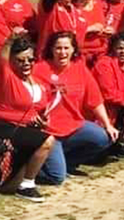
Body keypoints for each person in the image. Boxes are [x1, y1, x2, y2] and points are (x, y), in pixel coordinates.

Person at [0, 34, 56, 203]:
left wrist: (43, 122)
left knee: (8, 187)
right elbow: (2, 58)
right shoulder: (6, 76)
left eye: (30, 59)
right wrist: (11, 40)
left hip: (24, 130)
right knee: (48, 141)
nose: (26, 63)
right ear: (12, 61)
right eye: (20, 60)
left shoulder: (38, 83)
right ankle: (27, 186)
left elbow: (41, 112)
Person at [34, 31, 118, 185]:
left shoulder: (80, 69)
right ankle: (32, 167)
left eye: (66, 48)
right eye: (58, 48)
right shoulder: (39, 70)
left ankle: (68, 163)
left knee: (103, 137)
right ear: (51, 49)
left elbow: (95, 100)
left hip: (73, 126)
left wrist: (108, 125)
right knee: (57, 178)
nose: (62, 52)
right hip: (48, 132)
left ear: (73, 50)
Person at [92, 33, 124, 132]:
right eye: (120, 48)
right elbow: (108, 95)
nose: (123, 52)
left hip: (123, 106)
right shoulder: (103, 65)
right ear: (113, 49)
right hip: (106, 109)